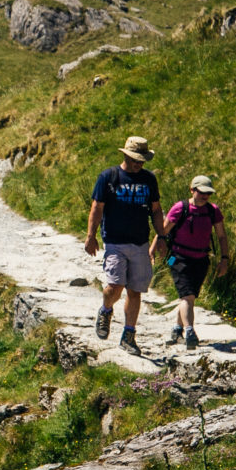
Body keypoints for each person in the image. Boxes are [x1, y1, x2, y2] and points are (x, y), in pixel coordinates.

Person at [83, 134, 164, 355]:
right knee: (114, 287)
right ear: (126, 155)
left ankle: (128, 335)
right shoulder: (109, 177)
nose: (139, 164)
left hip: (140, 243)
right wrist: (91, 236)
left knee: (135, 291)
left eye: (142, 160)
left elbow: (156, 210)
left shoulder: (148, 179)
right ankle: (106, 310)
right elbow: (97, 208)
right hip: (115, 242)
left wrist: (162, 236)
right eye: (136, 159)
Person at [154, 173, 232, 348]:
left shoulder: (213, 211)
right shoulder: (180, 208)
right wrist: (152, 249)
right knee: (187, 295)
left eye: (208, 193)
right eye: (201, 192)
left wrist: (224, 259)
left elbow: (221, 236)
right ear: (192, 190)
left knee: (188, 297)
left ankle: (177, 329)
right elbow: (163, 230)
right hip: (176, 258)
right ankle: (190, 331)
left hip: (201, 259)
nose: (205, 196)